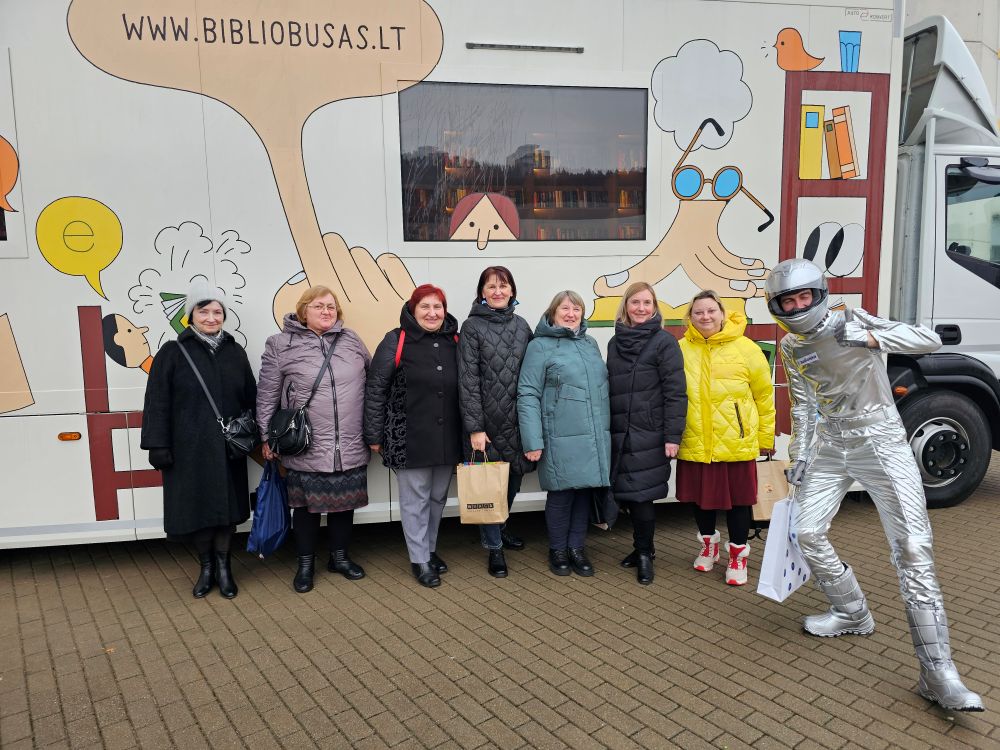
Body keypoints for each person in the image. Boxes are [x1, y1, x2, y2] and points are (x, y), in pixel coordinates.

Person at [764, 258, 983, 712]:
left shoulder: (851, 319)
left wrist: (871, 336)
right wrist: (799, 455)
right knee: (807, 532)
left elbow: (928, 340)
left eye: (805, 297)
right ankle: (851, 612)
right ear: (777, 306)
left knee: (913, 549)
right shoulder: (790, 346)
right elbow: (803, 405)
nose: (799, 306)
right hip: (831, 446)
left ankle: (937, 672)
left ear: (819, 294)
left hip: (881, 441)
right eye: (789, 301)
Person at [141, 279, 257, 599]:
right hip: (188, 450)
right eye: (203, 311)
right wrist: (157, 445)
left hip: (227, 449)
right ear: (190, 315)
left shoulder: (235, 352)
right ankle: (206, 568)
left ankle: (225, 568)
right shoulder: (172, 352)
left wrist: (256, 436)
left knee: (226, 513)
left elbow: (251, 398)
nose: (211, 318)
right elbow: (157, 402)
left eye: (217, 312)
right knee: (198, 511)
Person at [256, 286, 371, 593]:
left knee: (344, 506)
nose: (326, 311)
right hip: (304, 443)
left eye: (331, 306)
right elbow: (267, 395)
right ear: (303, 311)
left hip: (348, 441)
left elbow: (372, 381)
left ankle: (339, 558)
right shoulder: (281, 344)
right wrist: (267, 436)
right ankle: (305, 565)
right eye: (319, 306)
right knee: (306, 509)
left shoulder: (351, 340)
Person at [364, 284, 462, 588]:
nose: (432, 313)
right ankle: (419, 559)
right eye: (425, 307)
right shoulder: (396, 340)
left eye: (437, 307)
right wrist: (373, 434)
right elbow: (376, 390)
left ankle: (429, 550)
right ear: (412, 309)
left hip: (448, 435)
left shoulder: (455, 340)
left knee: (437, 497)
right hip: (408, 436)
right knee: (415, 500)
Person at [675, 290, 775, 586]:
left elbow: (764, 396)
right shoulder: (680, 349)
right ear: (690, 317)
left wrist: (765, 437)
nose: (705, 316)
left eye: (711, 310)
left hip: (735, 440)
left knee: (739, 503)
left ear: (722, 313)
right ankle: (709, 546)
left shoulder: (746, 348)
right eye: (698, 312)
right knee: (700, 500)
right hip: (695, 438)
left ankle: (738, 556)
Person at [518, 290, 611, 577]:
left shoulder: (590, 343)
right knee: (560, 494)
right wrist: (532, 440)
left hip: (592, 435)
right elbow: (528, 394)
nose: (571, 314)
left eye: (576, 309)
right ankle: (558, 549)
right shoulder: (539, 346)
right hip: (558, 435)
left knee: (583, 493)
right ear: (553, 313)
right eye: (565, 309)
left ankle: (576, 548)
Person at [606, 282, 687, 585]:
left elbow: (676, 393)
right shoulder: (615, 342)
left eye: (647, 303)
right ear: (625, 306)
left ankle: (644, 554)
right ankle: (643, 547)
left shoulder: (664, 342)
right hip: (619, 432)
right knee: (627, 494)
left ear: (654, 308)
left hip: (649, 433)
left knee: (642, 497)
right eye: (635, 302)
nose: (641, 308)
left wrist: (672, 436)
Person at [457, 266, 534, 578]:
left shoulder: (522, 325)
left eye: (503, 286)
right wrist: (475, 427)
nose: (498, 291)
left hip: (517, 424)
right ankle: (494, 548)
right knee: (490, 488)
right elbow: (468, 381)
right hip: (487, 427)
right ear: (482, 293)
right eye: (491, 287)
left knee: (512, 482)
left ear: (512, 290)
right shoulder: (471, 327)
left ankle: (500, 529)